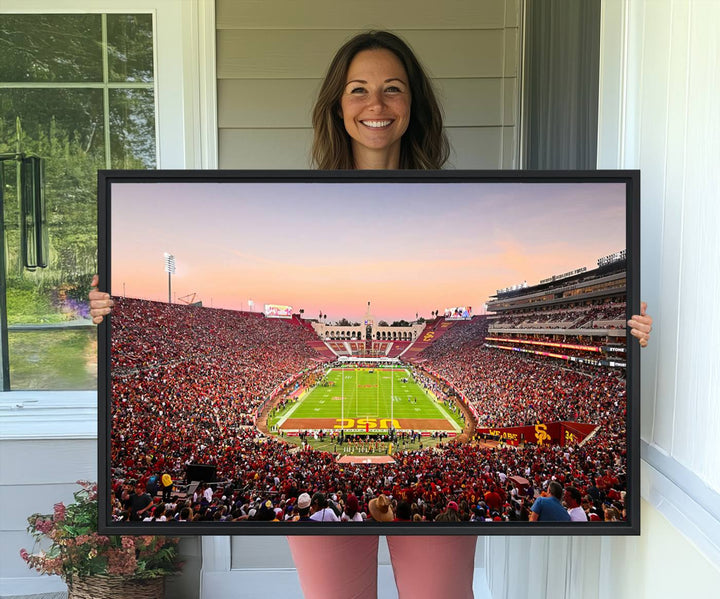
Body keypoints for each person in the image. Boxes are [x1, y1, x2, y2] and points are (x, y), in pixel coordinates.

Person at [89, 29, 653, 599]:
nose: (376, 105)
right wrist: (110, 315)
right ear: (337, 104)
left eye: (393, 89)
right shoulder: (300, 200)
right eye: (358, 89)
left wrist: (625, 333)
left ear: (414, 105)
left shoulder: (456, 199)